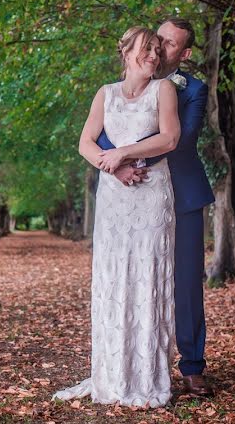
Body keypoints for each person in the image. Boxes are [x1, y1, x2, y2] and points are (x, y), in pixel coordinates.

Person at [53, 26, 181, 407]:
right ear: (125, 53)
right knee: (114, 278)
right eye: (146, 49)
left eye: (158, 50)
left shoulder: (164, 90)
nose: (154, 57)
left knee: (148, 278)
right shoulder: (104, 95)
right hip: (114, 197)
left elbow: (170, 139)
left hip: (152, 194)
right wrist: (115, 168)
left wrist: (123, 152)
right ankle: (111, 375)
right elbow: (86, 143)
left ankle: (146, 377)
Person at [101, 17, 215, 398]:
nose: (161, 48)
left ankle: (193, 366)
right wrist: (115, 168)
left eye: (170, 44)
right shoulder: (120, 89)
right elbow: (103, 135)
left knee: (184, 284)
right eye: (158, 40)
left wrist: (126, 157)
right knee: (136, 280)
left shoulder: (193, 89)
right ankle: (140, 364)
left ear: (184, 53)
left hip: (180, 195)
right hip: (131, 196)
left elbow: (180, 141)